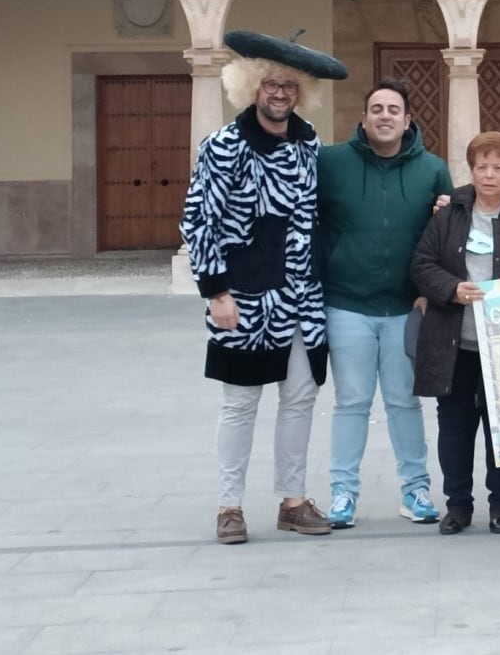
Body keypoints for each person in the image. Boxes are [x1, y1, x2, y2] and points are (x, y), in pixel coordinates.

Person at [180, 29, 347, 545]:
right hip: (246, 299)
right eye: (271, 85)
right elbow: (197, 219)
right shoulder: (225, 146)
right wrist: (216, 292)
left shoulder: (309, 140)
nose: (280, 95)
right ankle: (229, 507)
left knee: (299, 398)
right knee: (240, 404)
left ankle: (292, 500)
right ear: (252, 87)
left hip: (303, 299)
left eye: (290, 87)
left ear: (301, 93)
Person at [318, 79, 453, 529]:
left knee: (403, 401)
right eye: (376, 108)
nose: (384, 116)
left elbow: (446, 234)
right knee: (351, 402)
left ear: (408, 120)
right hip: (347, 305)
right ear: (363, 118)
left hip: (404, 308)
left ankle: (415, 489)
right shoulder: (332, 163)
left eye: (393, 109)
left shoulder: (432, 170)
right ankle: (342, 494)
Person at [411, 131, 500, 536]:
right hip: (454, 342)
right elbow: (421, 264)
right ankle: (457, 505)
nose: (488, 175)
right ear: (470, 171)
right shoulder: (448, 212)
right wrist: (451, 289)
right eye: (481, 167)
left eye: (498, 168)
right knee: (453, 425)